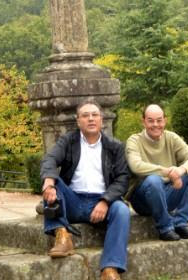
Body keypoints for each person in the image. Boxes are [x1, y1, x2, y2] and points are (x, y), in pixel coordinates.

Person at [41, 101, 130, 280]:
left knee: (121, 210)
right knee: (53, 182)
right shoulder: (68, 141)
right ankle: (62, 235)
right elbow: (50, 159)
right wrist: (48, 182)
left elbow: (122, 179)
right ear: (78, 120)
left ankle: (110, 269)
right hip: (73, 200)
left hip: (101, 203)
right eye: (85, 115)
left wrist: (105, 201)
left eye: (94, 115)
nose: (90, 118)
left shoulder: (115, 146)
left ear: (101, 119)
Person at [125, 104, 188, 241]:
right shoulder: (134, 140)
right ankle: (165, 228)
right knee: (153, 180)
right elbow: (136, 166)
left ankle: (180, 223)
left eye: (159, 120)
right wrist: (167, 172)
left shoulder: (171, 138)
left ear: (165, 120)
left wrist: (181, 170)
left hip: (167, 193)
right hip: (143, 199)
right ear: (143, 121)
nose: (155, 124)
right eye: (150, 120)